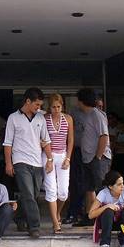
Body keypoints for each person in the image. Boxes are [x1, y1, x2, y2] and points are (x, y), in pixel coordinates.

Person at [4, 87, 51, 238]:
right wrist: (8, 163)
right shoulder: (13, 118)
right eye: (37, 104)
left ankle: (18, 217)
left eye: (40, 105)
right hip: (20, 161)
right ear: (28, 101)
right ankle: (35, 227)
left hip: (37, 162)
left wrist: (49, 159)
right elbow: (8, 143)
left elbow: (46, 140)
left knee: (33, 194)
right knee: (29, 194)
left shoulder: (41, 118)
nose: (39, 108)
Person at [75, 88, 112, 227]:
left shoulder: (97, 115)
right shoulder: (87, 115)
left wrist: (98, 156)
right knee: (89, 188)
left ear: (82, 101)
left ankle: (105, 217)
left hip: (98, 159)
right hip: (88, 158)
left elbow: (104, 136)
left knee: (101, 188)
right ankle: (90, 215)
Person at [43, 93, 73, 234]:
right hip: (48, 155)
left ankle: (57, 213)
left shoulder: (68, 119)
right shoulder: (44, 118)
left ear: (62, 106)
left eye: (58, 106)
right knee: (51, 190)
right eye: (53, 107)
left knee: (63, 192)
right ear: (49, 107)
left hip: (63, 155)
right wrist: (49, 159)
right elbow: (42, 139)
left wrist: (68, 158)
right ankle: (55, 222)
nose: (56, 109)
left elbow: (71, 140)